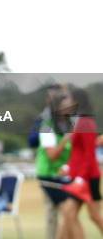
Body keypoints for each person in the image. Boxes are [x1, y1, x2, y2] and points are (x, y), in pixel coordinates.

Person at [57, 88, 103, 238]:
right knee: (72, 214)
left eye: (68, 98)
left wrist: (80, 178)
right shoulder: (78, 121)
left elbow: (89, 154)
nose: (65, 101)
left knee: (85, 215)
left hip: (87, 177)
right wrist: (68, 166)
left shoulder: (86, 122)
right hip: (80, 175)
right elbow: (79, 152)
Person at [36, 85, 72, 239]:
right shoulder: (47, 127)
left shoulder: (70, 124)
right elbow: (52, 155)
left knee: (69, 215)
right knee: (55, 216)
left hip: (64, 175)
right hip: (48, 176)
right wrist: (66, 139)